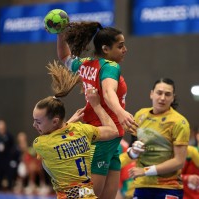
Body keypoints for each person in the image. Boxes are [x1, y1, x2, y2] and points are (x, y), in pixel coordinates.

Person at [56, 21, 136, 199]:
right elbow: (108, 93)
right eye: (120, 46)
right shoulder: (110, 66)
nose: (125, 49)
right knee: (89, 195)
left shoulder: (85, 64)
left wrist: (60, 34)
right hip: (103, 137)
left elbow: (64, 57)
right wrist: (121, 113)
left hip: (112, 140)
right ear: (106, 49)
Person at [32, 62, 118, 199]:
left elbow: (57, 136)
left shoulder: (41, 144)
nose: (34, 125)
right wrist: (96, 106)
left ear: (54, 121)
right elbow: (113, 131)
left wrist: (68, 122)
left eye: (38, 122)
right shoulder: (81, 130)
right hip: (88, 195)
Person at [119, 78, 189, 199]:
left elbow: (179, 161)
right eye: (159, 93)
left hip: (169, 187)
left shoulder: (179, 122)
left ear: (173, 97)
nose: (162, 98)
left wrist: (145, 171)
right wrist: (133, 153)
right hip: (141, 186)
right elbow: (133, 150)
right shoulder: (140, 115)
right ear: (151, 94)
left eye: (167, 94)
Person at [0, 119, 16, 191]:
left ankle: (10, 187)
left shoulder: (9, 136)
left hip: (7, 158)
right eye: (0, 128)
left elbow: (12, 146)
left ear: (5, 128)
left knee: (9, 173)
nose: (1, 129)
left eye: (3, 128)